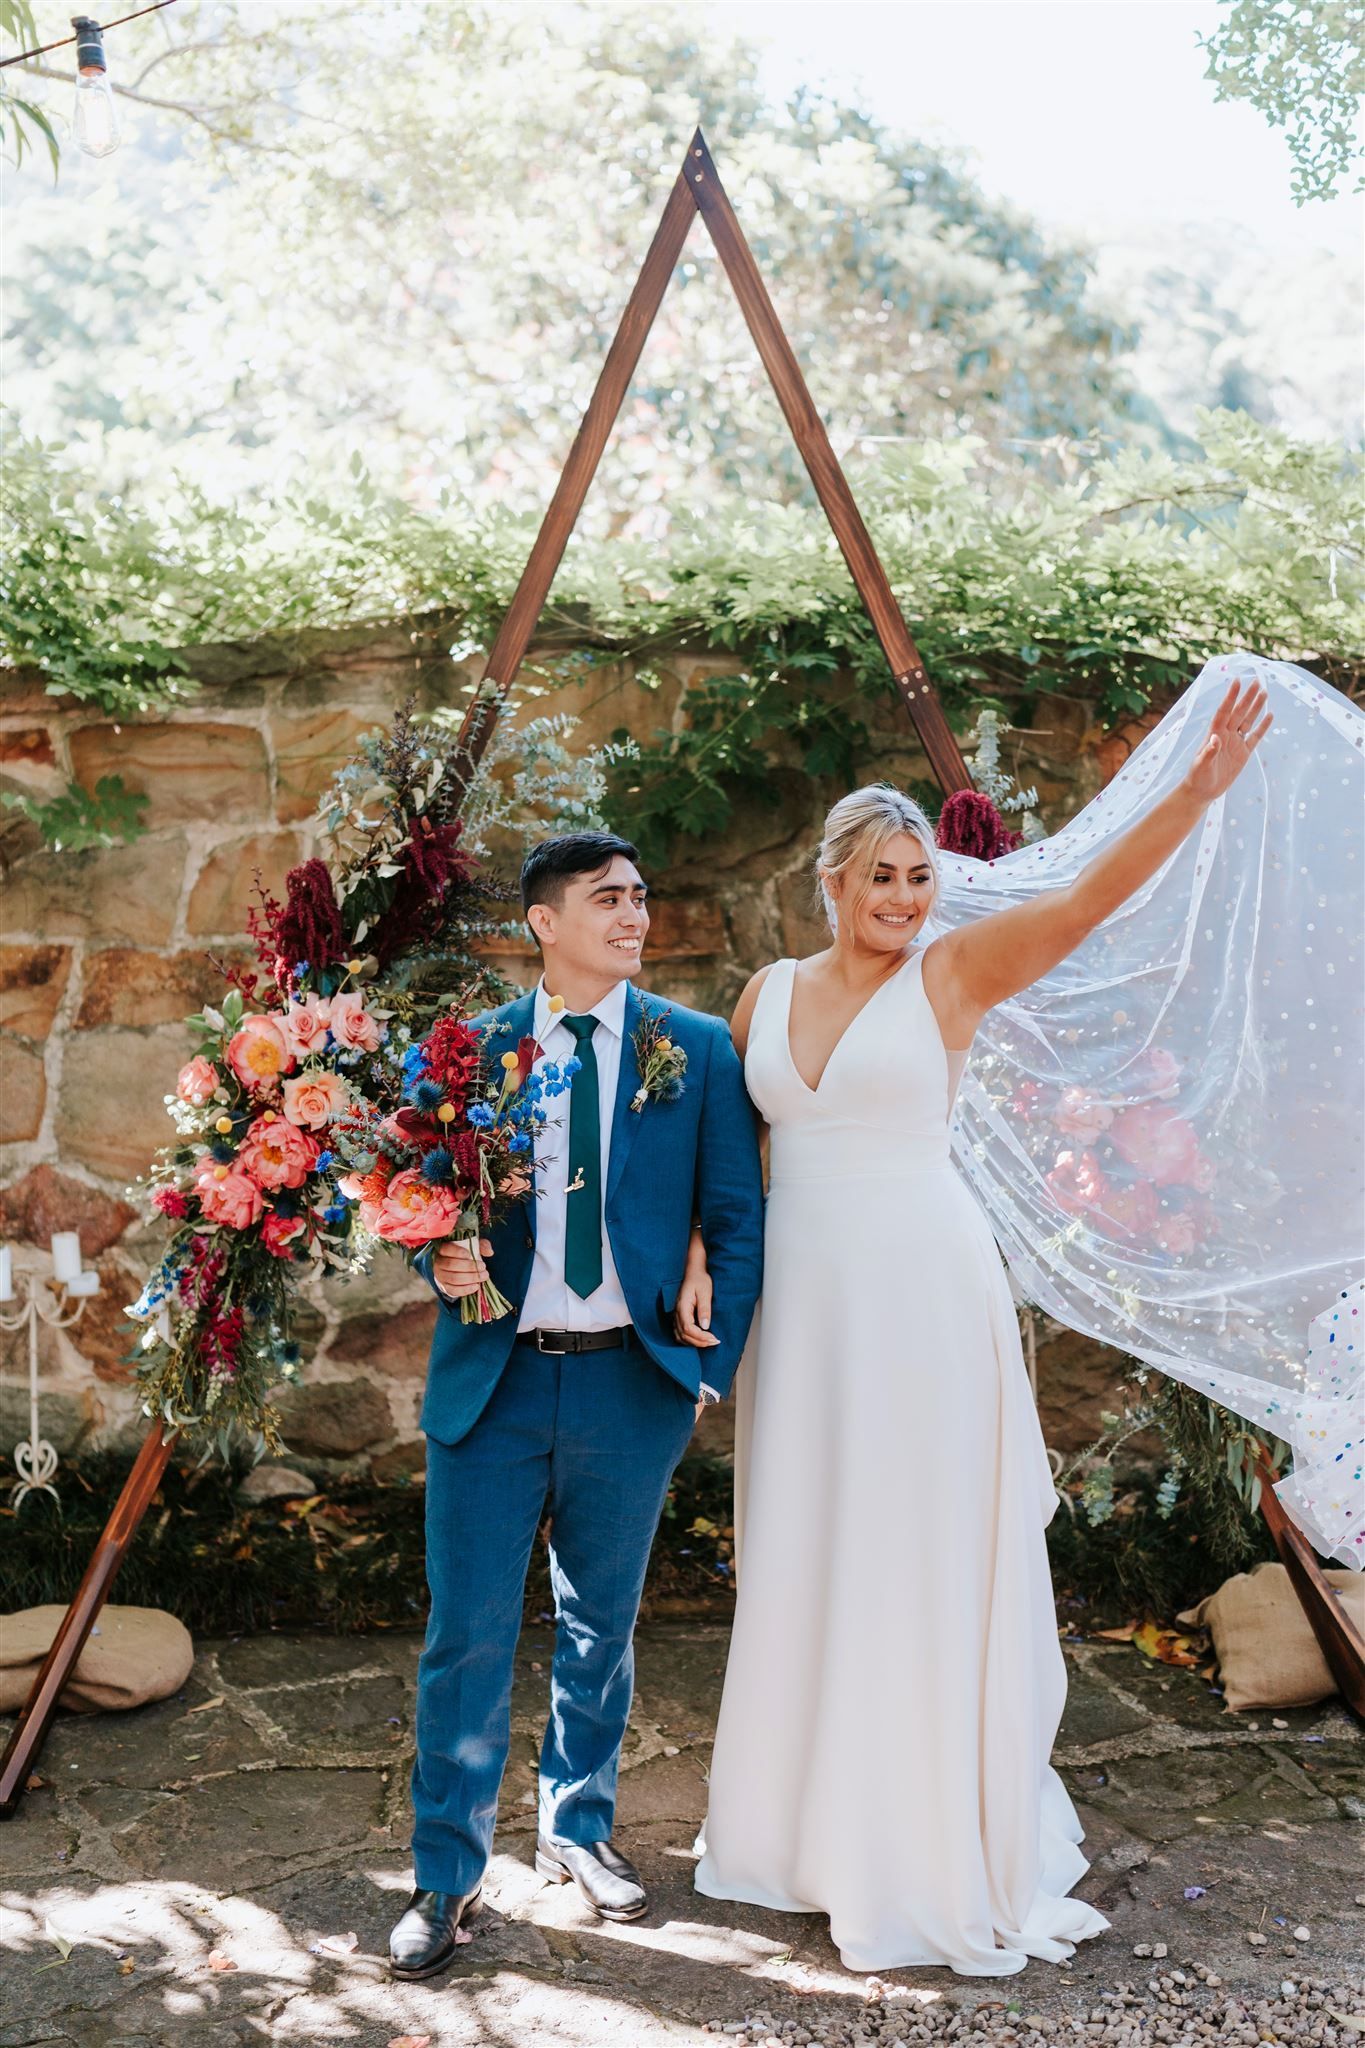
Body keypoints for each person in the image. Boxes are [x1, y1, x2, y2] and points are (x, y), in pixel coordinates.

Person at [682, 679, 1272, 1976]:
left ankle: (925, 1839)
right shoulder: (763, 997)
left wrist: (1190, 794)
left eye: (918, 876)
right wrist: (688, 1256)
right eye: (883, 876)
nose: (904, 897)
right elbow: (731, 1155)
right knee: (809, 1546)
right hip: (809, 1312)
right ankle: (803, 1829)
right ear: (832, 880)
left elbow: (1083, 903)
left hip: (923, 1296)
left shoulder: (952, 975)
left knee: (912, 1552)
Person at [388, 831, 764, 1981]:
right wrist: (437, 1259)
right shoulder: (468, 1054)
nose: (633, 914)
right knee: (467, 1636)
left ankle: (578, 1826)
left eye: (641, 896)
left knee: (603, 1626)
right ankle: (445, 1876)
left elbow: (739, 1220)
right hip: (493, 1384)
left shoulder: (693, 1050)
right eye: (607, 899)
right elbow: (413, 1196)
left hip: (629, 1380)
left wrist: (704, 1368)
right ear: (545, 921)